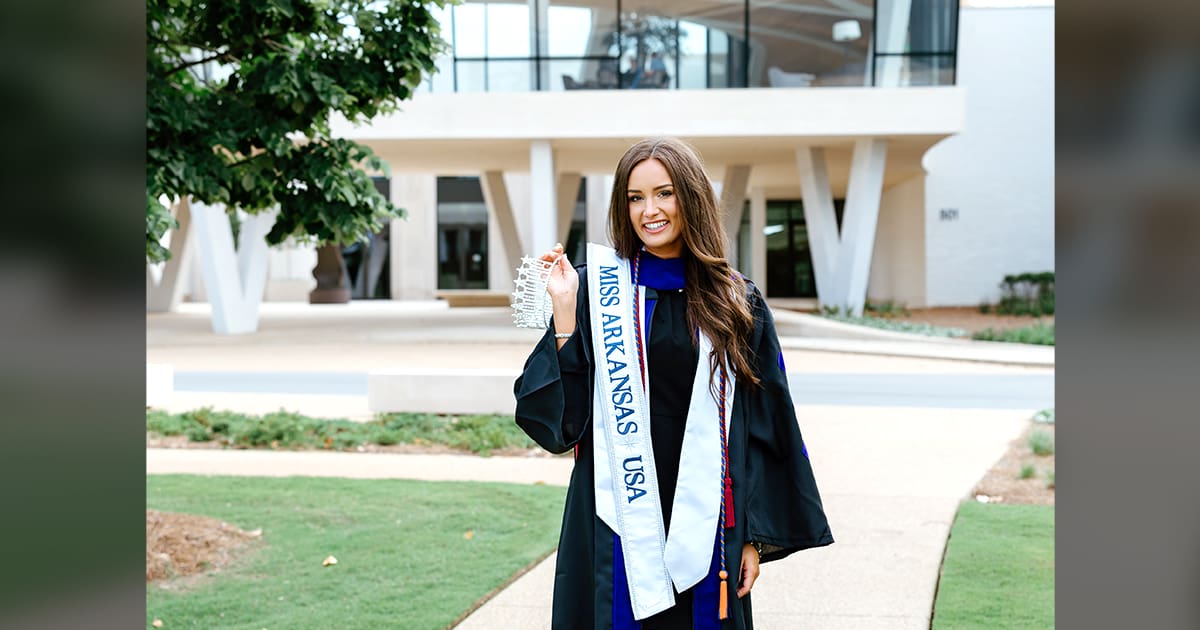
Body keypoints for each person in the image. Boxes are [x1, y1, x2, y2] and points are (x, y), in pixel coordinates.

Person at [514, 137, 833, 630]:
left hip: (707, 517)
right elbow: (561, 426)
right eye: (635, 197)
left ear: (690, 196)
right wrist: (563, 312)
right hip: (613, 512)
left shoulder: (736, 300)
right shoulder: (596, 292)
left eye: (664, 193)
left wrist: (752, 535)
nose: (650, 210)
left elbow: (766, 424)